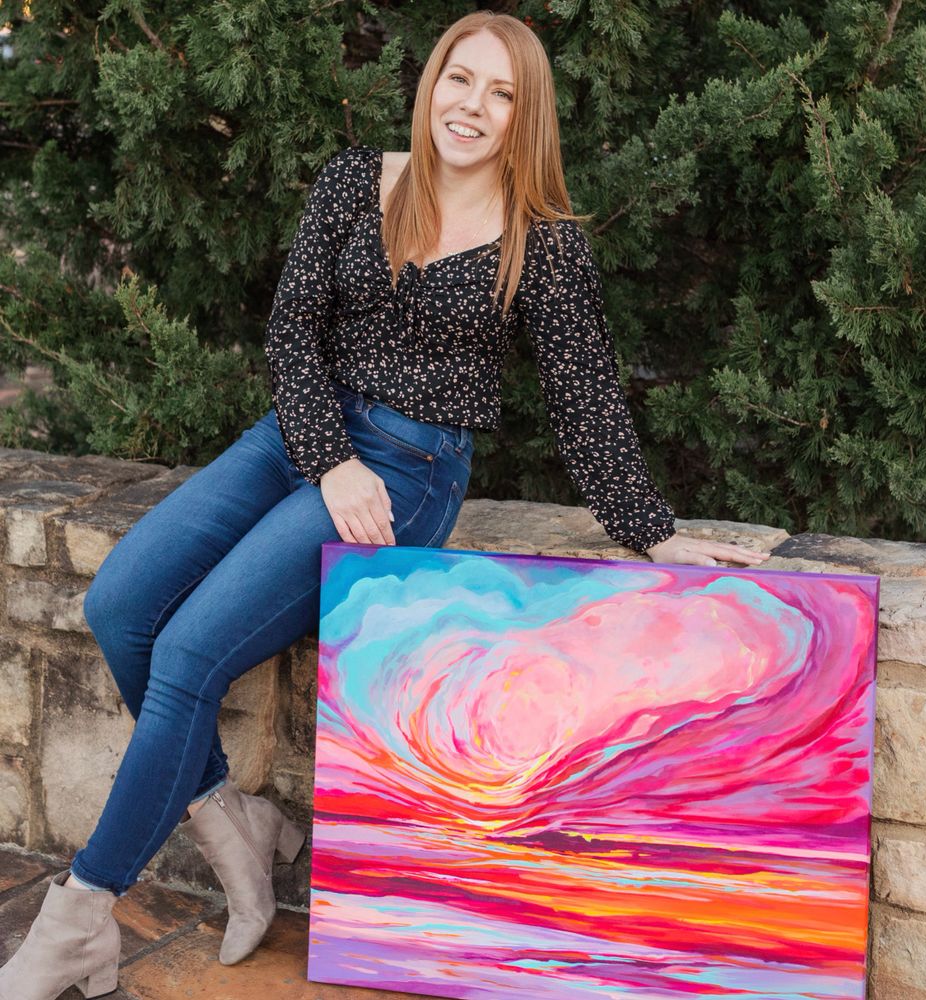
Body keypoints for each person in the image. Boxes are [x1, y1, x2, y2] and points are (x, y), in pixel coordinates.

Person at [0, 10, 768, 1000]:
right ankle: (234, 823)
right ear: (432, 81)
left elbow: (585, 401)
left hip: (409, 471)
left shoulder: (540, 242)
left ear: (525, 116)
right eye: (461, 78)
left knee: (188, 654)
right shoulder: (357, 181)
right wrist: (327, 458)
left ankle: (78, 918)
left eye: (502, 94)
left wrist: (654, 533)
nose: (472, 106)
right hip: (299, 439)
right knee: (119, 605)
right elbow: (290, 331)